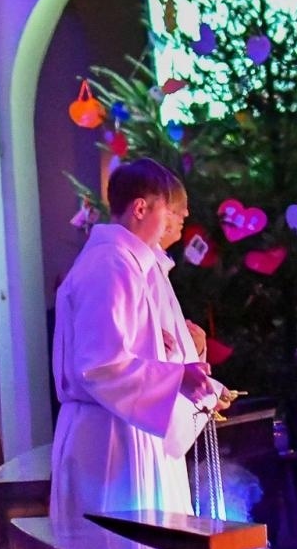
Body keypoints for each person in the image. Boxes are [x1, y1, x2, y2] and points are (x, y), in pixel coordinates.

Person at [50, 158, 228, 524]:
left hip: (131, 425)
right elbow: (100, 365)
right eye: (172, 208)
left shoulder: (131, 262)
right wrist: (178, 377)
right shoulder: (111, 264)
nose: (181, 217)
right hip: (112, 439)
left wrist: (181, 354)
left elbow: (134, 345)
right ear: (141, 208)